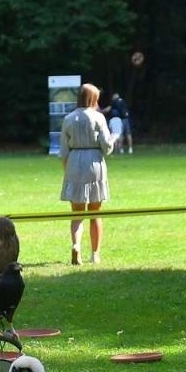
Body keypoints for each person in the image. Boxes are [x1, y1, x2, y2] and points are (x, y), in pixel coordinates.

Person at [59, 82, 115, 265]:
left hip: (74, 162)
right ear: (93, 99)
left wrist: (67, 170)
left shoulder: (68, 118)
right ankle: (95, 254)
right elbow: (106, 147)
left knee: (76, 214)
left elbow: (63, 151)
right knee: (95, 212)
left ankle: (76, 245)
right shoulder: (98, 117)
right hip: (94, 163)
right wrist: (114, 139)